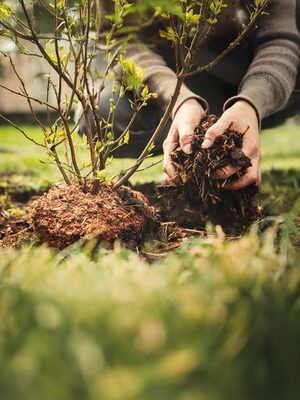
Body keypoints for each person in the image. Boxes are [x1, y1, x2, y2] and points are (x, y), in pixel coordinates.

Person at [78, 0, 300, 189]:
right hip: (179, 77)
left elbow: (278, 38)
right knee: (98, 117)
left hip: (259, 73)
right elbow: (123, 38)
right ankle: (200, 128)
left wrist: (251, 103)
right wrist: (178, 101)